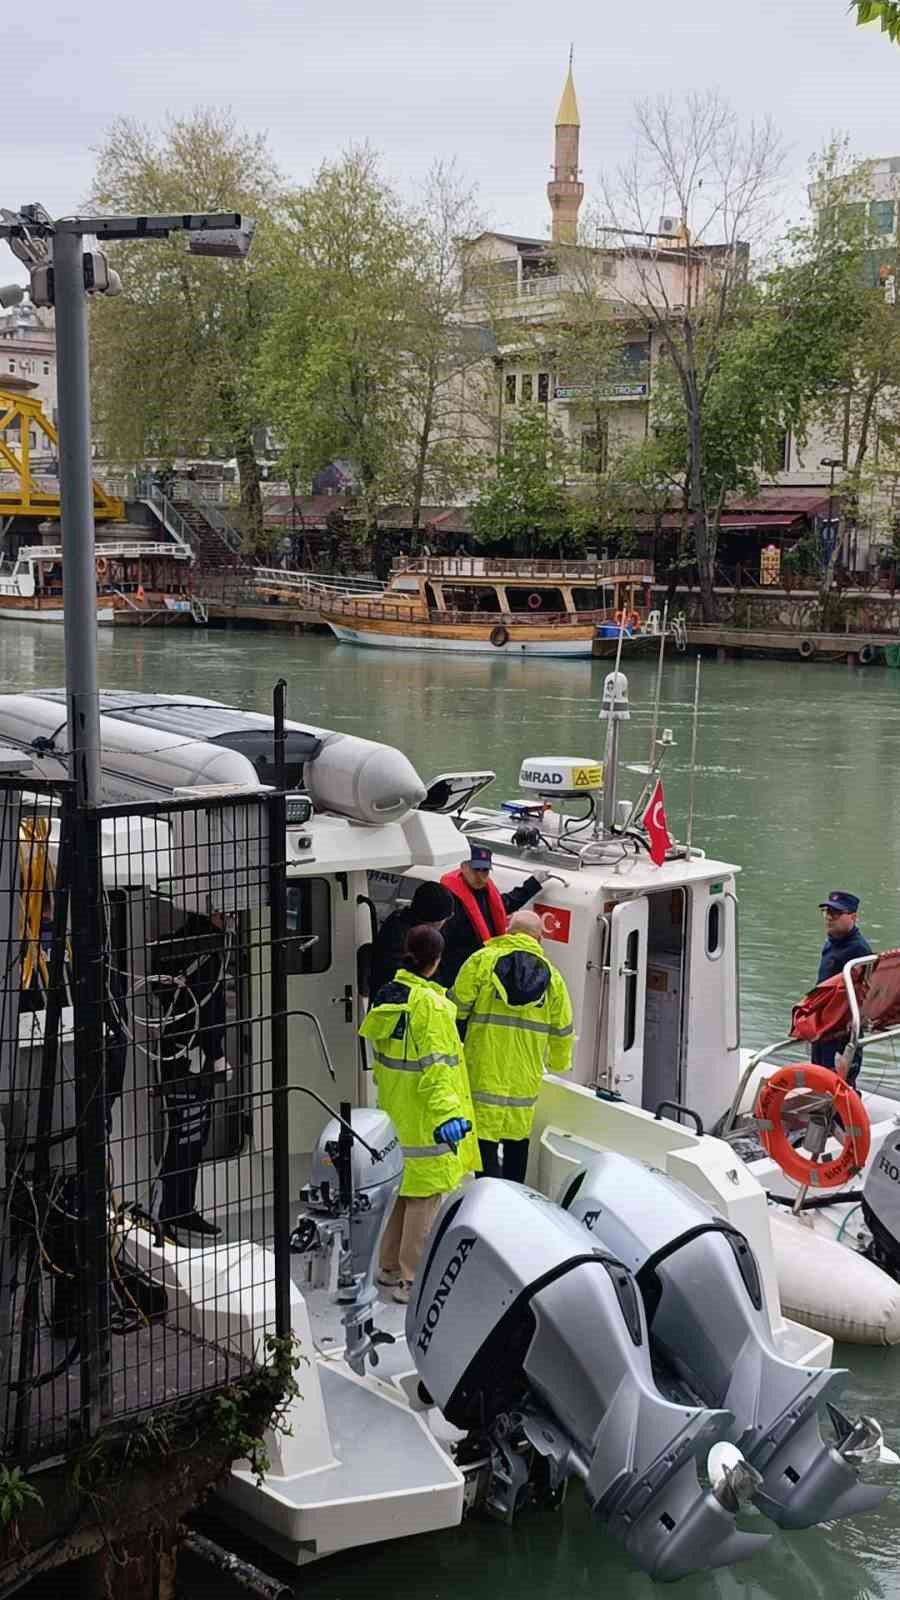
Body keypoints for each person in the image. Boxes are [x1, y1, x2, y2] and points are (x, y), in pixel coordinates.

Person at [359, 924, 480, 1302]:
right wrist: (449, 1118)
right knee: (424, 1201)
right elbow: (437, 1070)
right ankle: (412, 1280)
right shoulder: (433, 1007)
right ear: (438, 961)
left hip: (395, 1109)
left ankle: (389, 1266)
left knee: (403, 1193)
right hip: (427, 1117)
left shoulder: (387, 996)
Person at [448, 910, 574, 1183]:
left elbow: (456, 1008)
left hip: (483, 1070)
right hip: (524, 1078)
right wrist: (559, 1063)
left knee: (483, 1141)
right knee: (517, 1139)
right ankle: (514, 1199)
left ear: (509, 931)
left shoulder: (482, 962)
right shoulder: (552, 978)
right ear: (539, 938)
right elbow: (563, 1029)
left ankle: (487, 1199)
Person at [152, 908, 232, 1241]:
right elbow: (209, 1010)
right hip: (193, 1058)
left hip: (176, 1051)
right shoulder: (208, 950)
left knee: (185, 1134)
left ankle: (179, 1209)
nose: (233, 920)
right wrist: (217, 1055)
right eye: (228, 913)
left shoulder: (178, 945)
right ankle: (171, 1213)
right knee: (188, 1137)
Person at [437, 845, 549, 988]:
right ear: (463, 867)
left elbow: (507, 903)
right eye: (475, 869)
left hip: (483, 971)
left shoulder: (487, 894)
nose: (480, 876)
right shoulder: (448, 899)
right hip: (456, 974)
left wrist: (534, 882)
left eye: (485, 871)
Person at [812, 890, 872, 1082]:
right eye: (827, 912)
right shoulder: (832, 941)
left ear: (853, 917)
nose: (829, 918)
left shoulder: (859, 950)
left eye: (836, 914)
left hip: (842, 1030)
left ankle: (843, 1112)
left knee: (839, 1083)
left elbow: (866, 992)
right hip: (823, 1025)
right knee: (819, 1077)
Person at [368, 880, 455, 999]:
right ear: (434, 921)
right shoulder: (406, 939)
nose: (445, 923)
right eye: (446, 918)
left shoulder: (398, 923)